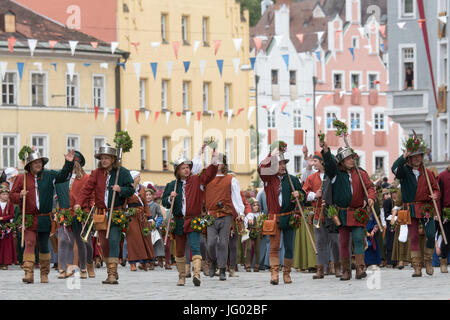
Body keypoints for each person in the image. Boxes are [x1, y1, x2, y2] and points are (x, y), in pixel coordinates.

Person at [11, 149, 75, 284]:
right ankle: (28, 273)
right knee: (29, 243)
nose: (38, 164)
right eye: (35, 162)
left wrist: (68, 163)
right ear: (29, 165)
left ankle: (44, 274)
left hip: (45, 217)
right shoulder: (21, 178)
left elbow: (63, 176)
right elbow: (12, 196)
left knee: (44, 245)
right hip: (29, 216)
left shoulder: (49, 174)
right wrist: (20, 195)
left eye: (40, 162)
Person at [74, 144, 134, 284]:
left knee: (113, 240)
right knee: (105, 244)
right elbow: (86, 189)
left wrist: (121, 190)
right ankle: (111, 270)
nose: (104, 160)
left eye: (107, 158)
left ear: (113, 159)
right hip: (101, 213)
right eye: (102, 158)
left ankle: (112, 274)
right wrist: (79, 202)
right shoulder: (96, 173)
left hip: (116, 212)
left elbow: (131, 190)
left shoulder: (122, 172)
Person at [162, 147, 219, 287]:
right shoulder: (171, 185)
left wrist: (215, 159)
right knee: (180, 250)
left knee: (195, 247)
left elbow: (209, 173)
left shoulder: (197, 180)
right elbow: (164, 202)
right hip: (179, 221)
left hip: (194, 220)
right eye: (183, 168)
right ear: (177, 171)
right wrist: (170, 198)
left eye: (187, 167)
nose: (186, 170)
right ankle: (181, 276)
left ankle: (197, 274)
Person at [321, 139, 376, 281]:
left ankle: (359, 269)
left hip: (358, 211)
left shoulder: (361, 173)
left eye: (352, 157)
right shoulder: (335, 174)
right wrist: (326, 151)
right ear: (341, 162)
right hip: (342, 213)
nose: (352, 160)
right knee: (344, 242)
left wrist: (370, 198)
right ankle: (346, 270)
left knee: (358, 239)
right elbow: (329, 164)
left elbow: (370, 187)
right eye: (348, 158)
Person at [392, 135, 440, 277]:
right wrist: (403, 156)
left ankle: (428, 260)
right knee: (413, 237)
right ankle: (417, 267)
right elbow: (394, 168)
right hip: (410, 208)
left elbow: (436, 188)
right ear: (410, 158)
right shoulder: (404, 172)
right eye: (414, 156)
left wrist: (436, 195)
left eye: (419, 155)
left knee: (430, 235)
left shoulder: (428, 172)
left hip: (425, 207)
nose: (417, 158)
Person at [258, 142, 305, 285]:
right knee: (274, 246)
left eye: (284, 163)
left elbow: (302, 195)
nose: (282, 166)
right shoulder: (268, 178)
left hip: (289, 217)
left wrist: (299, 194)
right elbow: (261, 168)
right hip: (274, 218)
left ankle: (286, 273)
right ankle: (274, 273)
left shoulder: (293, 180)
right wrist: (272, 154)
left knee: (289, 246)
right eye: (279, 163)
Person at [204, 154, 245, 281]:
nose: (217, 163)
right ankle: (214, 262)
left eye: (219, 161)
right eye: (214, 161)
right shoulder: (207, 179)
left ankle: (222, 269)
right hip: (211, 216)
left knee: (223, 243)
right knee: (210, 243)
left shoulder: (231, 179)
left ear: (224, 164)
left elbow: (236, 197)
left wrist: (241, 212)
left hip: (226, 215)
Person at [303, 151, 340, 279]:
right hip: (318, 213)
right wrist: (314, 195)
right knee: (320, 242)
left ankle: (337, 266)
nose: (313, 164)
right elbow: (304, 194)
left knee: (335, 241)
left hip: (331, 213)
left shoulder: (333, 176)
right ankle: (321, 268)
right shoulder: (312, 178)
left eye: (316, 161)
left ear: (323, 162)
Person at [125, 171, 154, 272]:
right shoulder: (128, 189)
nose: (140, 178)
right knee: (133, 239)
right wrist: (126, 212)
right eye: (138, 177)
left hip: (142, 216)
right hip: (131, 217)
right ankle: (133, 262)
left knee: (145, 238)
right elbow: (124, 203)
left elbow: (145, 204)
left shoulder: (142, 189)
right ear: (133, 178)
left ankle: (144, 261)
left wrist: (150, 217)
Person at [146, 184, 165, 268]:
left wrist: (156, 224)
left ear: (153, 196)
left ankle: (158, 259)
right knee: (147, 244)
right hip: (145, 227)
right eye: (146, 195)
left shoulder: (156, 206)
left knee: (156, 243)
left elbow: (160, 216)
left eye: (150, 195)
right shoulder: (143, 205)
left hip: (154, 227)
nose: (148, 197)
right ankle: (149, 262)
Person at [0, 184, 17, 269]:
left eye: (7, 194)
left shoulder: (10, 204)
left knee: (6, 245)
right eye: (3, 194)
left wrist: (3, 217)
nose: (5, 196)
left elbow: (12, 215)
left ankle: (5, 263)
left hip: (7, 226)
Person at [243, 198, 262, 272]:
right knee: (249, 248)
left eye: (257, 205)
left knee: (257, 249)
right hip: (249, 232)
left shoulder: (260, 214)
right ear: (251, 206)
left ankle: (257, 265)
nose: (256, 207)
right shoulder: (248, 215)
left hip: (257, 232)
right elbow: (245, 225)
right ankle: (247, 264)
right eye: (254, 205)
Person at [438, 164, 450, 273]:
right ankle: (443, 261)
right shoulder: (442, 176)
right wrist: (438, 212)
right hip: (447, 210)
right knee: (447, 237)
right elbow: (439, 196)